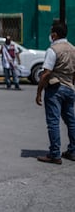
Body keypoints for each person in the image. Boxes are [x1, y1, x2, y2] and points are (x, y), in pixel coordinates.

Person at [35, 21, 75, 164]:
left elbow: (46, 73)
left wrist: (39, 92)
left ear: (54, 34)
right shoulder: (73, 49)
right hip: (69, 88)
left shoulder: (53, 50)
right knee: (71, 121)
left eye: (51, 32)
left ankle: (55, 154)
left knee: (53, 122)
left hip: (55, 89)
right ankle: (73, 151)